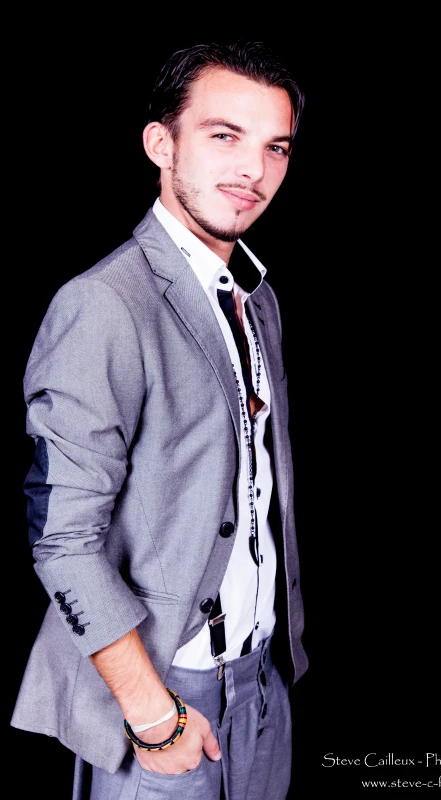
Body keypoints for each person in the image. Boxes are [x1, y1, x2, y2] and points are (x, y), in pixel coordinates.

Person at [10, 38, 308, 800]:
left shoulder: (253, 298)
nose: (253, 170)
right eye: (223, 136)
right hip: (165, 699)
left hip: (263, 690)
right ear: (160, 144)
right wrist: (153, 715)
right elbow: (62, 537)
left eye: (274, 146)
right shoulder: (104, 304)